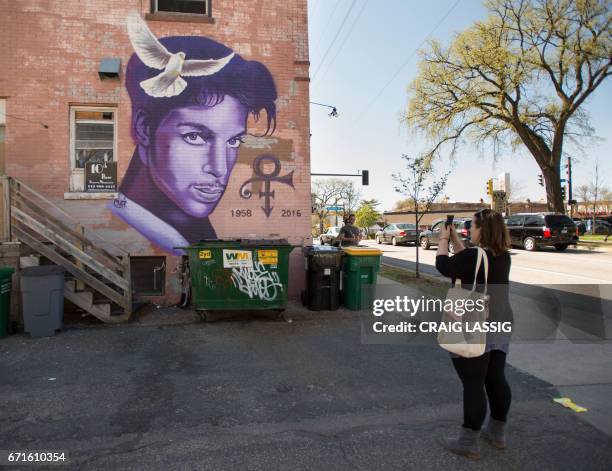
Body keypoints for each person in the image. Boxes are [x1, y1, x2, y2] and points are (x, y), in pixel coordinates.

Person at [109, 33, 277, 255]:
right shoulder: (156, 235)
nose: (219, 168)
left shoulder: (197, 238)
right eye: (195, 137)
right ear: (144, 129)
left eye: (233, 141)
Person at [435, 209, 513, 460]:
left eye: (474, 226)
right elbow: (470, 261)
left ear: (482, 229)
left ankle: (469, 443)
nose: (471, 230)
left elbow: (444, 265)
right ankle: (497, 434)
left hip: (475, 322)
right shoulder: (503, 256)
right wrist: (457, 238)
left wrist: (443, 239)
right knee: (496, 378)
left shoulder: (473, 256)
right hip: (500, 321)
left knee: (473, 382)